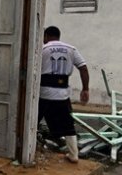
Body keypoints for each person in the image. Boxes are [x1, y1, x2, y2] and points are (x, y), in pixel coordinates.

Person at [39, 25, 90, 162]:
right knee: (68, 124)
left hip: (44, 92)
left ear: (46, 36)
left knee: (33, 120)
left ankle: (30, 150)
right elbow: (83, 68)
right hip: (62, 93)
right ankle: (74, 155)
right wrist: (85, 89)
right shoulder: (71, 49)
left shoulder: (42, 49)